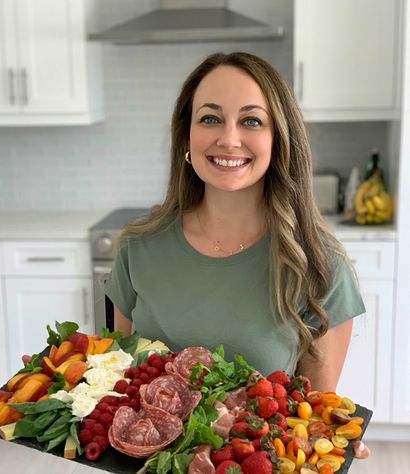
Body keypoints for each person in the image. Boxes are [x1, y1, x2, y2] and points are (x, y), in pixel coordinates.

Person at [105, 52, 365, 393]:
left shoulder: (320, 263)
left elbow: (315, 422)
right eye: (210, 119)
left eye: (252, 121)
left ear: (279, 139)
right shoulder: (137, 247)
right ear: (186, 136)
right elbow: (111, 386)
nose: (228, 139)